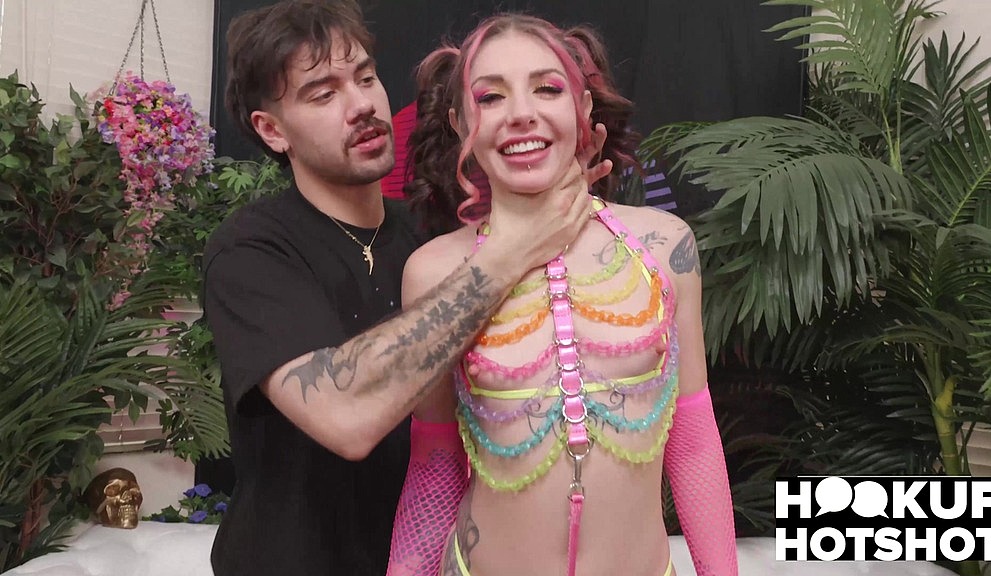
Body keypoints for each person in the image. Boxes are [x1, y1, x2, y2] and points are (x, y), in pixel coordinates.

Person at [201, 3, 610, 575]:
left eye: (365, 77)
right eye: (323, 94)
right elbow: (345, 414)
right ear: (272, 130)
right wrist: (511, 252)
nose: (362, 105)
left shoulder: (435, 240)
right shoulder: (250, 253)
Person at [386, 14, 738, 576]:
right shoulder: (433, 272)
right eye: (490, 97)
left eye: (547, 89)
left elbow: (693, 439)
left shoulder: (664, 244)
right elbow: (436, 459)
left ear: (582, 108)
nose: (521, 112)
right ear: (460, 123)